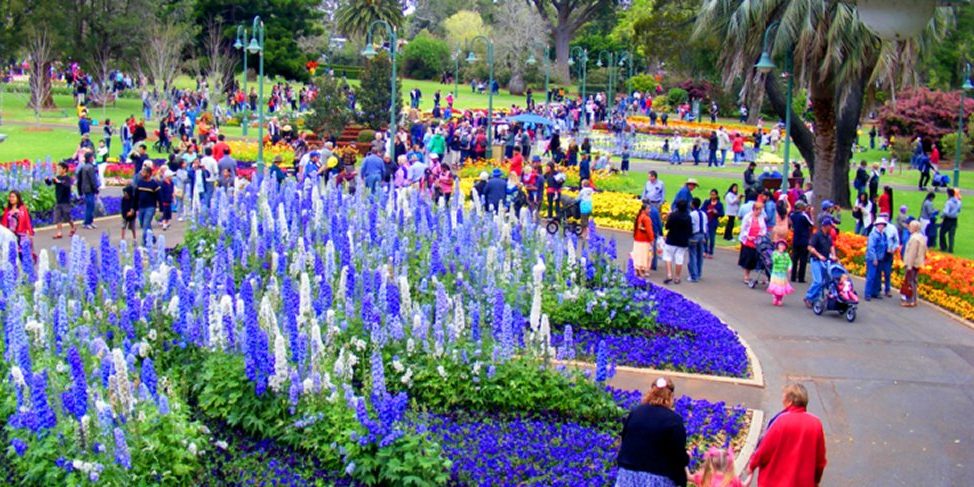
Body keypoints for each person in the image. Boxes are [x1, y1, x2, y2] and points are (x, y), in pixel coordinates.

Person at [744, 383, 827, 487]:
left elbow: (764, 450)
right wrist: (816, 480)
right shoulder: (816, 424)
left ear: (789, 401)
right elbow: (820, 461)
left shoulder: (781, 421)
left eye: (783, 397)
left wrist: (752, 465)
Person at [615, 377, 689, 487]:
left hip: (627, 474)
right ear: (671, 396)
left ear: (651, 392)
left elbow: (624, 439)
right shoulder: (674, 420)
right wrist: (686, 459)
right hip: (658, 477)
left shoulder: (636, 412)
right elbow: (677, 456)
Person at [804, 218, 837, 308]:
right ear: (825, 226)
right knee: (818, 281)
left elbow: (831, 246)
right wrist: (819, 255)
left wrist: (834, 255)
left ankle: (816, 299)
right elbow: (810, 247)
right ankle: (808, 297)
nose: (832, 228)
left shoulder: (828, 237)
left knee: (824, 281)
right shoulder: (817, 235)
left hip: (825, 261)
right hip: (816, 260)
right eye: (830, 226)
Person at [663, 199, 692, 285]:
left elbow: (667, 226)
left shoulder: (673, 216)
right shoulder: (688, 217)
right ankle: (677, 277)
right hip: (682, 241)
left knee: (668, 256)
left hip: (672, 239)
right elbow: (690, 230)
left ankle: (669, 274)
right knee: (679, 258)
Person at [45, 162, 76, 239]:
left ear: (64, 169)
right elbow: (50, 183)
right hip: (58, 201)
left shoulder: (67, 179)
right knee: (57, 217)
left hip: (65, 201)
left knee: (67, 217)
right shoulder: (57, 177)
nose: (58, 170)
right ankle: (59, 232)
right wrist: (47, 180)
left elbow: (66, 185)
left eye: (59, 168)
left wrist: (59, 182)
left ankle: (73, 227)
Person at [738, 203, 767, 284]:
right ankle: (746, 276)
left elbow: (763, 229)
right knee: (748, 258)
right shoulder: (748, 217)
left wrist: (761, 234)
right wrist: (747, 236)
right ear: (754, 209)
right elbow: (743, 228)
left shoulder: (761, 218)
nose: (759, 212)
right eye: (758, 210)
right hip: (748, 241)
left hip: (757, 241)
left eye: (760, 210)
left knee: (753, 259)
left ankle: (749, 273)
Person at [900, 220, 927, 307]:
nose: (909, 228)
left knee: (910, 282)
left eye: (910, 227)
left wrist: (909, 266)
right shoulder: (921, 237)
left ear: (914, 228)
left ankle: (910, 300)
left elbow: (912, 253)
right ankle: (913, 299)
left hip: (912, 264)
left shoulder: (914, 239)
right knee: (914, 282)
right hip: (917, 263)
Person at [135, 166, 160, 246]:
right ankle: (152, 238)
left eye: (144, 172)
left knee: (146, 224)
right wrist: (134, 207)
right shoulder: (140, 183)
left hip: (150, 207)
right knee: (143, 224)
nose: (142, 174)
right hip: (141, 207)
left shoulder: (154, 184)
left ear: (148, 174)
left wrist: (161, 209)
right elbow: (136, 196)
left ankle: (144, 243)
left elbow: (159, 196)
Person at [789, 201, 813, 283]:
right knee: (803, 259)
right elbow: (811, 224)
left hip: (796, 238)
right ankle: (801, 277)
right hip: (804, 239)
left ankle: (793, 276)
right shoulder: (803, 215)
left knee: (795, 258)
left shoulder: (792, 215)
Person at [687, 198, 708, 282]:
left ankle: (694, 276)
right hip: (702, 235)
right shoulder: (704, 214)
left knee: (693, 255)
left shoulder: (692, 214)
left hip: (694, 235)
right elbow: (706, 226)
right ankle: (698, 273)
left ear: (692, 204)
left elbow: (690, 226)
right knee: (700, 256)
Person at [632, 203, 655, 278]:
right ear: (644, 210)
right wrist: (652, 239)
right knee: (644, 256)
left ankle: (637, 269)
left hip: (637, 239)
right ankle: (641, 270)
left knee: (638, 254)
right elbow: (649, 231)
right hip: (644, 240)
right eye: (648, 209)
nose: (650, 210)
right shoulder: (646, 218)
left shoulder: (639, 216)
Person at [768, 240, 794, 306]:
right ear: (777, 246)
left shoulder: (786, 255)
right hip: (776, 273)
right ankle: (775, 297)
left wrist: (790, 267)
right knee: (776, 287)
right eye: (780, 245)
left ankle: (780, 299)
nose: (782, 246)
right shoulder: (775, 253)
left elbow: (789, 262)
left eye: (783, 245)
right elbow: (774, 260)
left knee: (782, 287)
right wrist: (779, 254)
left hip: (783, 274)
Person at [77, 153, 99, 229]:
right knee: (90, 206)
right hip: (89, 189)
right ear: (90, 158)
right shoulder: (90, 167)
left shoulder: (83, 167)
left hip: (85, 189)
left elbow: (79, 179)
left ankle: (90, 221)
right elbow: (93, 179)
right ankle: (87, 222)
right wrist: (96, 189)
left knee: (90, 206)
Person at [702, 190, 724, 258]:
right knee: (705, 237)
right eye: (711, 194)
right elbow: (702, 209)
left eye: (714, 195)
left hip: (713, 222)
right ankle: (705, 251)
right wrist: (707, 211)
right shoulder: (707, 202)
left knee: (712, 238)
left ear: (716, 195)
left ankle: (710, 252)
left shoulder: (719, 204)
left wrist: (716, 212)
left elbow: (722, 214)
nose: (712, 196)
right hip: (706, 222)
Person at [939, 187, 961, 253]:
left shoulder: (949, 202)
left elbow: (946, 212)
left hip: (948, 219)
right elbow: (959, 210)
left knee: (942, 233)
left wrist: (941, 216)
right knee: (951, 235)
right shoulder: (958, 202)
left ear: (948, 194)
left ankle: (943, 247)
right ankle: (951, 249)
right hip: (954, 219)